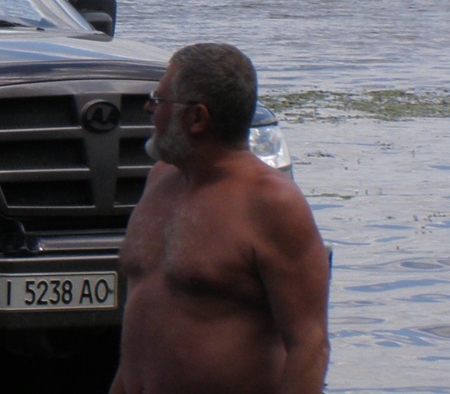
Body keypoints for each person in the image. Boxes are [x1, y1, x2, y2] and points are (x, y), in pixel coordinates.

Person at [112, 43, 330, 394]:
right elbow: (141, 336)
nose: (149, 108)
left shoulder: (272, 202)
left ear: (197, 118)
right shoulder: (160, 180)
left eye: (159, 99)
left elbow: (309, 346)